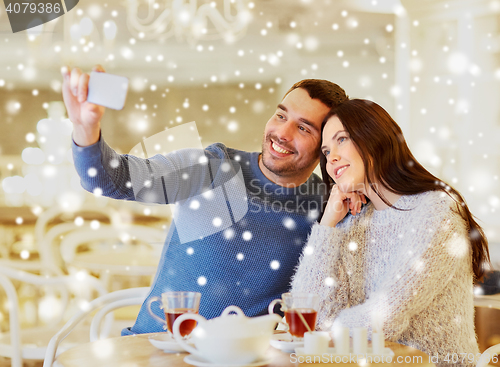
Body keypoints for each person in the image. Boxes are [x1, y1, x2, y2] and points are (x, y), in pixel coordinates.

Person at [60, 65, 356, 335]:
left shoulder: (327, 207)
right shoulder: (211, 167)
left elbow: (330, 298)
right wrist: (85, 127)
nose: (282, 133)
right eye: (280, 115)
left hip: (244, 358)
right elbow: (111, 178)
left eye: (303, 128)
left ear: (324, 146)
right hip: (158, 349)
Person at [290, 99, 489, 366]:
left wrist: (332, 329)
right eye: (325, 152)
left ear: (375, 138)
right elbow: (309, 314)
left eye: (342, 139)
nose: (332, 157)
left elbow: (385, 317)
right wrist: (328, 223)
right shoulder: (354, 222)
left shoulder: (435, 210)